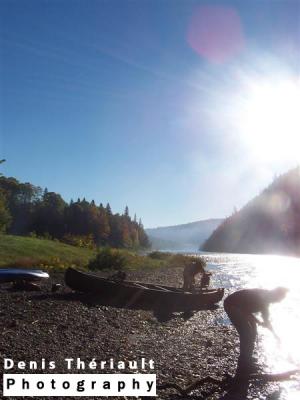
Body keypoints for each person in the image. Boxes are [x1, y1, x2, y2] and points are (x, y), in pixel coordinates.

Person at [224, 287, 288, 375]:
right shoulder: (264, 299)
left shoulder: (267, 298)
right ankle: (244, 362)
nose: (280, 301)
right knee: (246, 333)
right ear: (277, 294)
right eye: (281, 298)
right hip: (231, 304)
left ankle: (248, 357)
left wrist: (261, 323)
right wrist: (274, 334)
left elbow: (264, 319)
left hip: (241, 307)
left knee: (253, 330)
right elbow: (247, 311)